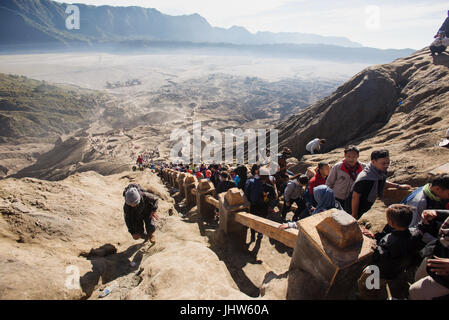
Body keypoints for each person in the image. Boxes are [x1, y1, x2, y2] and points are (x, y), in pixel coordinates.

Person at [357, 204, 423, 300]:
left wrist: (373, 240)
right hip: (399, 269)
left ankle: (368, 296)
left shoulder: (388, 241)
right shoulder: (415, 233)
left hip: (380, 272)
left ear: (390, 222)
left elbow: (377, 257)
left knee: (368, 285)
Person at [349, 150, 411, 219]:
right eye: (383, 163)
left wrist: (398, 186)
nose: (386, 165)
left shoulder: (378, 171)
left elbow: (381, 182)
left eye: (388, 163)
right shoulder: (365, 178)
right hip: (359, 207)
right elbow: (355, 197)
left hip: (370, 202)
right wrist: (354, 214)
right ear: (373, 162)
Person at [409, 209, 449, 300]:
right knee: (418, 278)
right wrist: (437, 213)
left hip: (445, 275)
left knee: (415, 291)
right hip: (438, 253)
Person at [401, 174, 449, 243]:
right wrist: (440, 242)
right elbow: (412, 229)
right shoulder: (419, 203)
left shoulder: (432, 191)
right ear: (438, 188)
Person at [326, 145, 365, 210]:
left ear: (358, 156)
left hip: (352, 199)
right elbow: (329, 183)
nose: (351, 159)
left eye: (354, 156)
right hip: (336, 197)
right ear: (344, 155)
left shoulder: (363, 168)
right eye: (348, 156)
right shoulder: (338, 167)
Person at [244, 166, 277, 241]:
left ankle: (252, 235)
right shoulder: (270, 187)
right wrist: (271, 206)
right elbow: (274, 197)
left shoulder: (250, 182)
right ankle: (260, 233)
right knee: (262, 220)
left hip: (253, 206)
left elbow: (246, 193)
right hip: (264, 207)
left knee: (252, 221)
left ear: (258, 174)